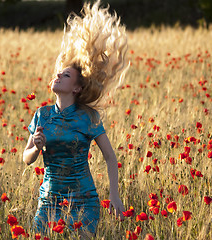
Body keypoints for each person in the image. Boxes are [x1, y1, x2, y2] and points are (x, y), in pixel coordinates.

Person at [23, 0, 129, 239]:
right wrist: (37, 148)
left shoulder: (88, 117)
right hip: (48, 201)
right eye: (58, 72)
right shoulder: (42, 114)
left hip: (84, 202)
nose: (58, 75)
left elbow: (110, 157)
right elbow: (26, 158)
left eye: (66, 74)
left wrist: (114, 195)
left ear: (77, 88)